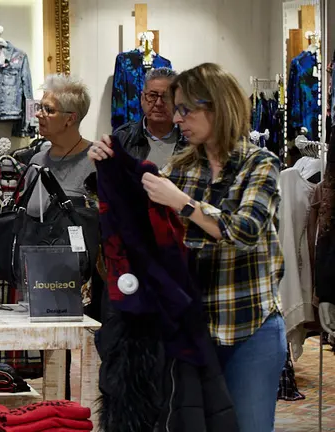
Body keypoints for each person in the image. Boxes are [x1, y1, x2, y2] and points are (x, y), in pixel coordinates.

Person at [90, 63, 286, 431]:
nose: (177, 118)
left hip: (250, 330)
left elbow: (244, 231)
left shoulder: (261, 165)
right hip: (193, 332)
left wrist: (183, 203)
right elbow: (143, 219)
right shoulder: (183, 167)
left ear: (217, 107)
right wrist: (109, 164)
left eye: (185, 109)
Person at [24, 74, 94, 217]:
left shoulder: (96, 162)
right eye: (40, 107)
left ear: (70, 119)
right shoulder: (36, 163)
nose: (38, 114)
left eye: (48, 110)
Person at [113, 67, 187, 166]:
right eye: (152, 96)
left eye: (166, 96)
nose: (159, 103)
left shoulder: (189, 139)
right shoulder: (122, 138)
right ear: (142, 98)